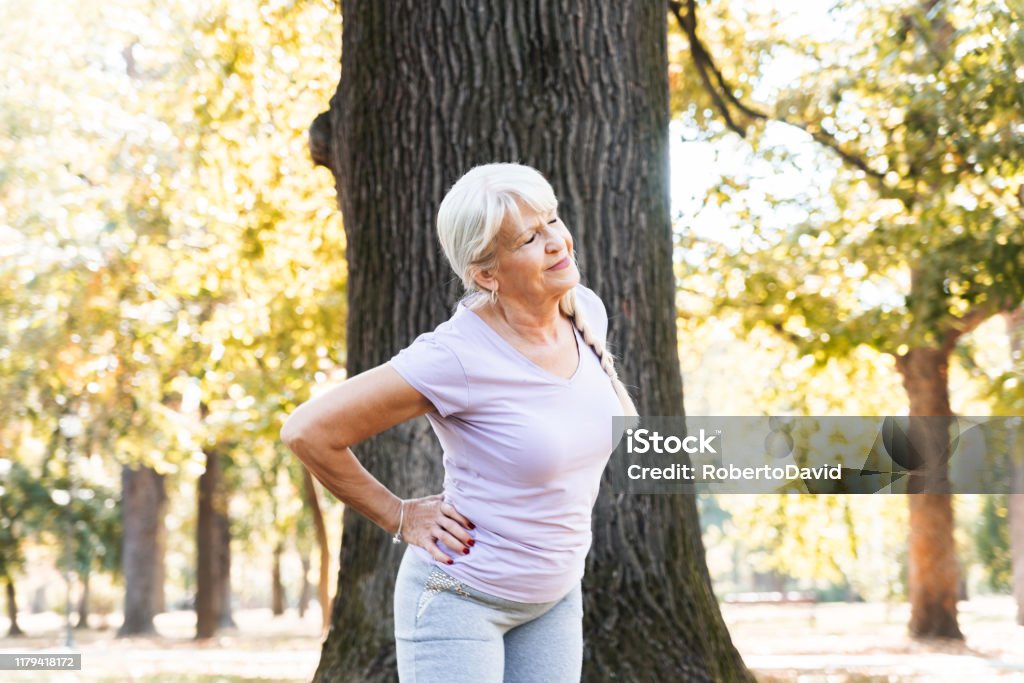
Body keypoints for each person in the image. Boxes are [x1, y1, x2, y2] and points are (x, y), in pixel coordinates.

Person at [281, 162, 637, 682]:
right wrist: (398, 515)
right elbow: (307, 431)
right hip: (459, 598)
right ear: (486, 273)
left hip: (554, 599)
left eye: (553, 221)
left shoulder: (584, 312)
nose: (557, 242)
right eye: (529, 238)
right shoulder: (455, 356)